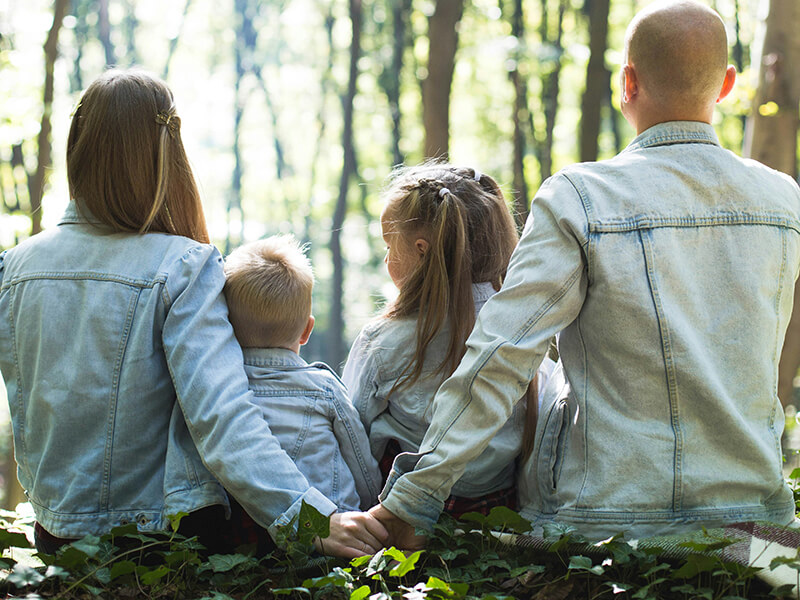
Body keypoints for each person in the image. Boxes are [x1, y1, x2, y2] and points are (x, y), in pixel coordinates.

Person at [370, 0, 800, 547]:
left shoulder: (581, 198)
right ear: (727, 86)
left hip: (605, 520)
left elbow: (502, 354)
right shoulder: (784, 201)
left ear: (627, 82)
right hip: (757, 522)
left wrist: (415, 497)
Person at [0, 68, 387, 558]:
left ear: (78, 146)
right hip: (157, 541)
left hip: (56, 537)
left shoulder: (13, 267)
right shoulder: (183, 265)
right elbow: (222, 417)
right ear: (166, 155)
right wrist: (310, 519)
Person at [342, 163, 555, 517]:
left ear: (421, 250)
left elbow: (352, 434)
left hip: (399, 514)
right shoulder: (525, 334)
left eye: (389, 246)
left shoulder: (382, 340)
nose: (385, 258)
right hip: (497, 514)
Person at [223, 234, 381, 512]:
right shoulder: (324, 389)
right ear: (307, 331)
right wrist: (371, 507)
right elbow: (360, 463)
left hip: (252, 531)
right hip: (334, 524)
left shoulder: (219, 390)